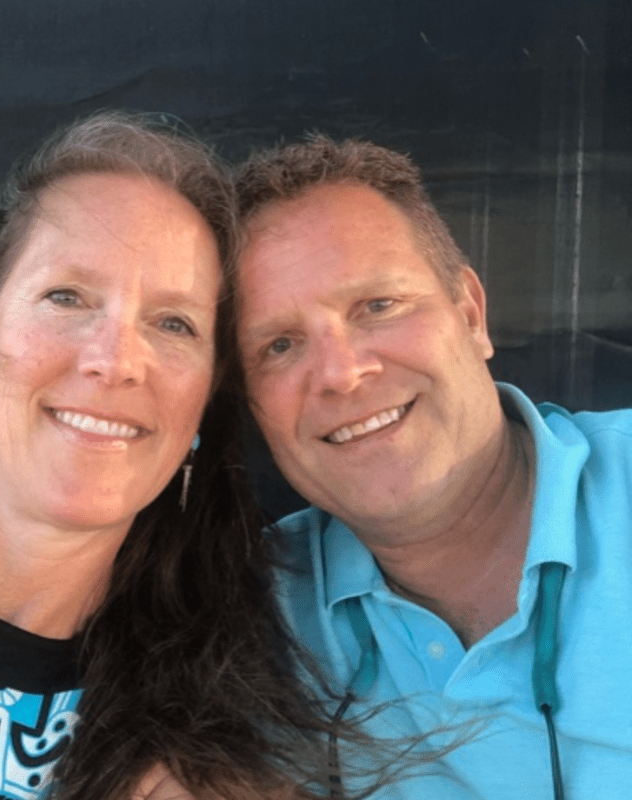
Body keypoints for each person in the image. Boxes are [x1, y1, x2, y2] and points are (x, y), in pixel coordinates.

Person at [0, 113, 362, 800]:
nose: (115, 360)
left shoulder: (191, 776)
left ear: (206, 396)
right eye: (67, 297)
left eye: (173, 323)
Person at [233, 135, 632, 799]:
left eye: (378, 306)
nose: (341, 372)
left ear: (471, 313)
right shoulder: (246, 616)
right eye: (278, 345)